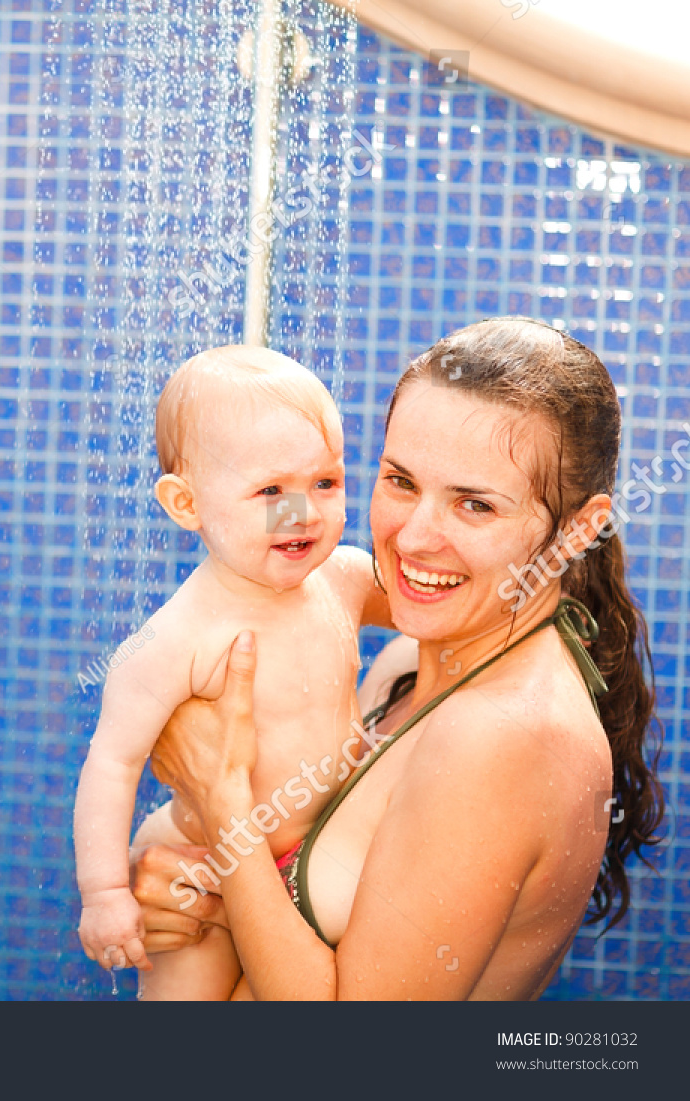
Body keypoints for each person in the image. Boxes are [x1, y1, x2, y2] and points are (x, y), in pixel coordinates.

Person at [131, 318, 663, 999]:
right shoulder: (407, 669)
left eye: (474, 504)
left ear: (578, 529)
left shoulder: (504, 734)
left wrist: (222, 796)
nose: (413, 536)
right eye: (402, 481)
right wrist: (186, 889)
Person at [72, 345, 390, 998]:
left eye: (324, 482)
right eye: (270, 490)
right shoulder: (178, 636)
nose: (301, 512)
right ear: (186, 503)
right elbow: (112, 761)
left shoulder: (347, 578)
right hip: (204, 864)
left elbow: (440, 613)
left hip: (317, 857)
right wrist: (103, 891)